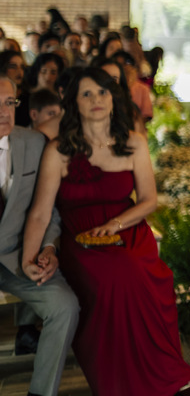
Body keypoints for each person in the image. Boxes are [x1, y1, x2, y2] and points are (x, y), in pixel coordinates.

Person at [23, 68, 190, 396]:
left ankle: (161, 373)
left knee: (135, 272)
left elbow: (148, 201)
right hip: (80, 238)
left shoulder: (134, 142)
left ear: (113, 99)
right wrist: (30, 258)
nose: (96, 100)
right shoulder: (58, 150)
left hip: (127, 229)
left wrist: (115, 224)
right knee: (112, 279)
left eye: (102, 92)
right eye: (86, 94)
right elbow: (40, 213)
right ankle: (120, 384)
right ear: (74, 102)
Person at [0, 76, 80, 396]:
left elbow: (49, 210)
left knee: (65, 306)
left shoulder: (33, 143)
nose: (4, 112)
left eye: (9, 102)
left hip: (19, 256)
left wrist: (48, 248)